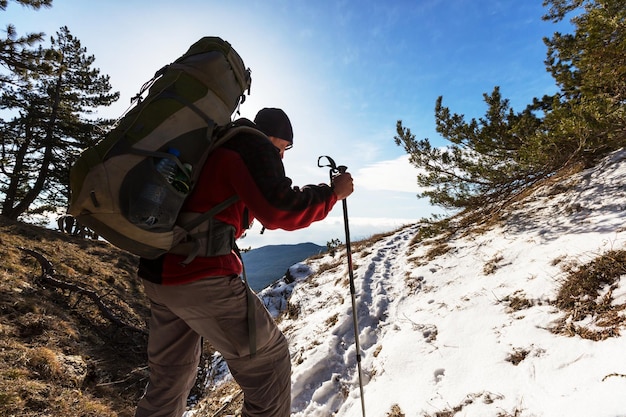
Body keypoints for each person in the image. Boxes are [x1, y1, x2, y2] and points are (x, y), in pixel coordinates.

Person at [134, 107, 354, 417]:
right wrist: (332, 193)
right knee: (271, 365)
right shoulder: (252, 145)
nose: (281, 157)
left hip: (158, 272)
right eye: (283, 148)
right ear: (275, 138)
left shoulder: (215, 146)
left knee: (170, 378)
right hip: (200, 275)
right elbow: (281, 210)